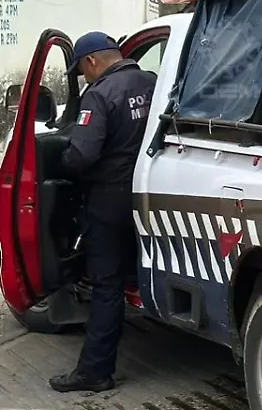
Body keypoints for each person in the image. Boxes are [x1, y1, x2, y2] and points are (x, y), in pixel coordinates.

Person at [49, 32, 157, 394]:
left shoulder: (99, 95)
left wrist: (59, 163)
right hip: (151, 194)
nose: (83, 76)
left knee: (107, 283)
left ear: (92, 61)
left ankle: (95, 370)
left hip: (109, 201)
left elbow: (81, 155)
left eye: (81, 69)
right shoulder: (151, 82)